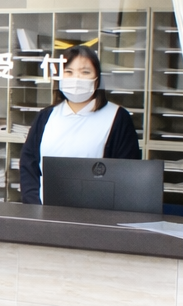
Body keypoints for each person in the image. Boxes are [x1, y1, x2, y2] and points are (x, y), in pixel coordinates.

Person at [18, 45, 140, 204]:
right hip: (45, 210)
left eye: (85, 72)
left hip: (97, 212)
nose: (76, 79)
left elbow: (126, 174)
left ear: (97, 79)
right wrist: (35, 206)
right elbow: (29, 166)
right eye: (68, 72)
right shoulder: (46, 116)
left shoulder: (117, 117)